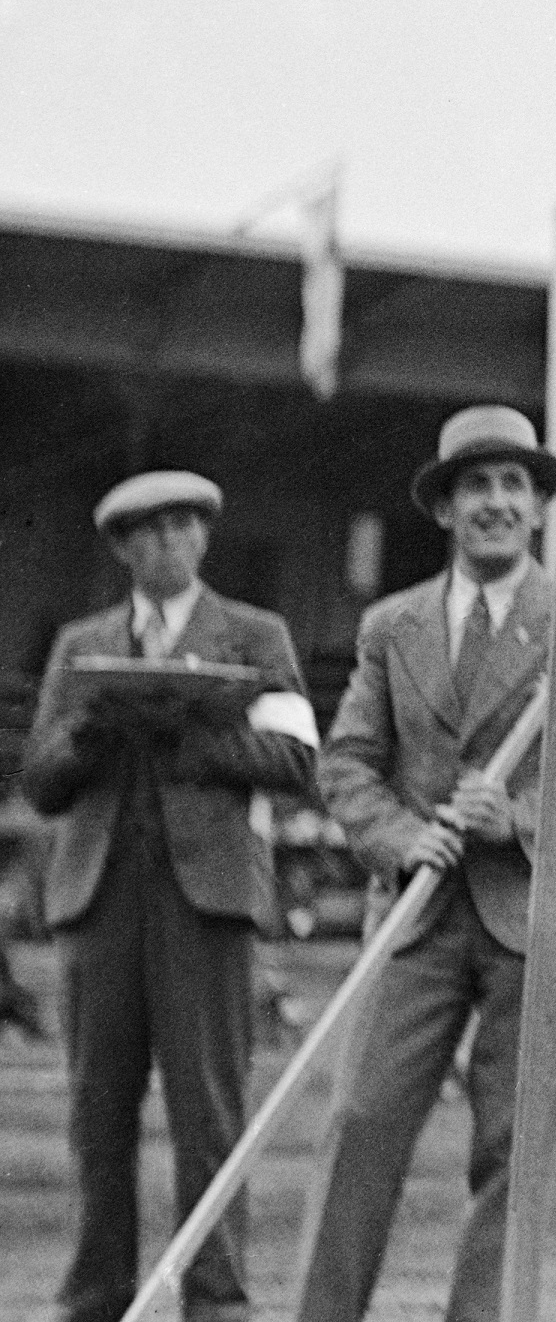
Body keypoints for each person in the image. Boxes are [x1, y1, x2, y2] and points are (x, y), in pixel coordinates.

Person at [298, 406, 556, 1322]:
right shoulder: (392, 626)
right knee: (359, 1126)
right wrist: (397, 836)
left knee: (513, 1153)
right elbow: (344, 762)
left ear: (540, 507)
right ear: (445, 508)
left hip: (539, 919)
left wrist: (522, 816)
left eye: (513, 485)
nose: (495, 502)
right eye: (476, 485)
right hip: (417, 914)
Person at [21, 467, 320, 1322]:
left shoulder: (255, 637)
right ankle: (94, 1297)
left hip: (208, 901)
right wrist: (92, 729)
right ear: (121, 548)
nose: (169, 543)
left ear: (206, 536)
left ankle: (216, 1299)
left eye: (185, 526)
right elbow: (40, 782)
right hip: (98, 898)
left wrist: (194, 732)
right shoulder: (82, 645)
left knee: (210, 1112)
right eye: (148, 532)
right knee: (97, 1114)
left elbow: (298, 762)